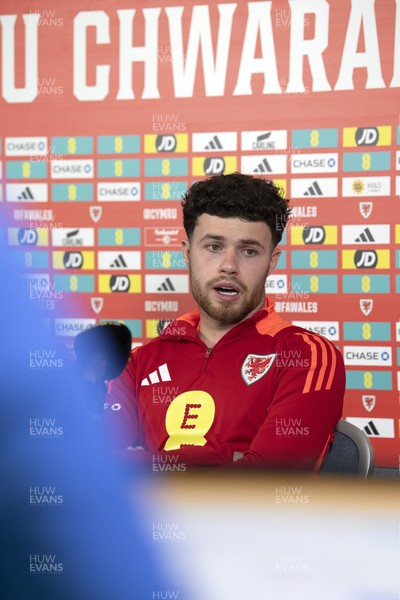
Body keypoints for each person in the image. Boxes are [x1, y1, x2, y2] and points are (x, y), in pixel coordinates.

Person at [104, 173, 345, 470]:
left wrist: (144, 462)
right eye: (214, 246)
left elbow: (265, 478)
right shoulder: (140, 361)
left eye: (249, 251)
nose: (229, 266)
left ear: (272, 261)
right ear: (187, 253)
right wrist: (226, 459)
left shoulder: (307, 355)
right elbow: (97, 465)